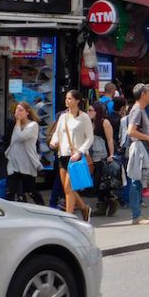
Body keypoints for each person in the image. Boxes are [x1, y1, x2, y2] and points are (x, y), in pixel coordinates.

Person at [49, 89, 94, 221]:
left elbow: (89, 137)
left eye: (70, 98)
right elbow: (57, 134)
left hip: (75, 156)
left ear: (77, 101)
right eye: (66, 98)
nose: (67, 100)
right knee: (68, 189)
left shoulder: (84, 117)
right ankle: (84, 208)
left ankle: (68, 218)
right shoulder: (63, 116)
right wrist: (53, 142)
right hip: (62, 154)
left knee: (69, 187)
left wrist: (80, 151)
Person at [125, 84, 149, 225]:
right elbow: (131, 131)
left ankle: (138, 214)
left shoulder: (140, 109)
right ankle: (136, 216)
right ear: (143, 94)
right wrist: (148, 138)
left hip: (142, 149)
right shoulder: (137, 110)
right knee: (136, 181)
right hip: (139, 149)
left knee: (138, 181)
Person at [5, 101, 44, 204]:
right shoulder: (15, 125)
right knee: (10, 191)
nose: (18, 112)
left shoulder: (33, 125)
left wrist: (17, 123)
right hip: (14, 163)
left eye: (21, 110)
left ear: (27, 112)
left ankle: (43, 209)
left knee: (32, 191)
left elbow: (20, 137)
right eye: (17, 110)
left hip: (27, 163)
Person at [88, 101, 118, 216]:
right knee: (96, 183)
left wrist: (111, 154)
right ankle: (103, 204)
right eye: (88, 110)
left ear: (97, 111)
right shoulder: (90, 122)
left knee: (102, 181)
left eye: (91, 110)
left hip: (103, 156)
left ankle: (110, 200)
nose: (89, 112)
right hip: (93, 156)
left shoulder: (104, 122)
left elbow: (110, 139)